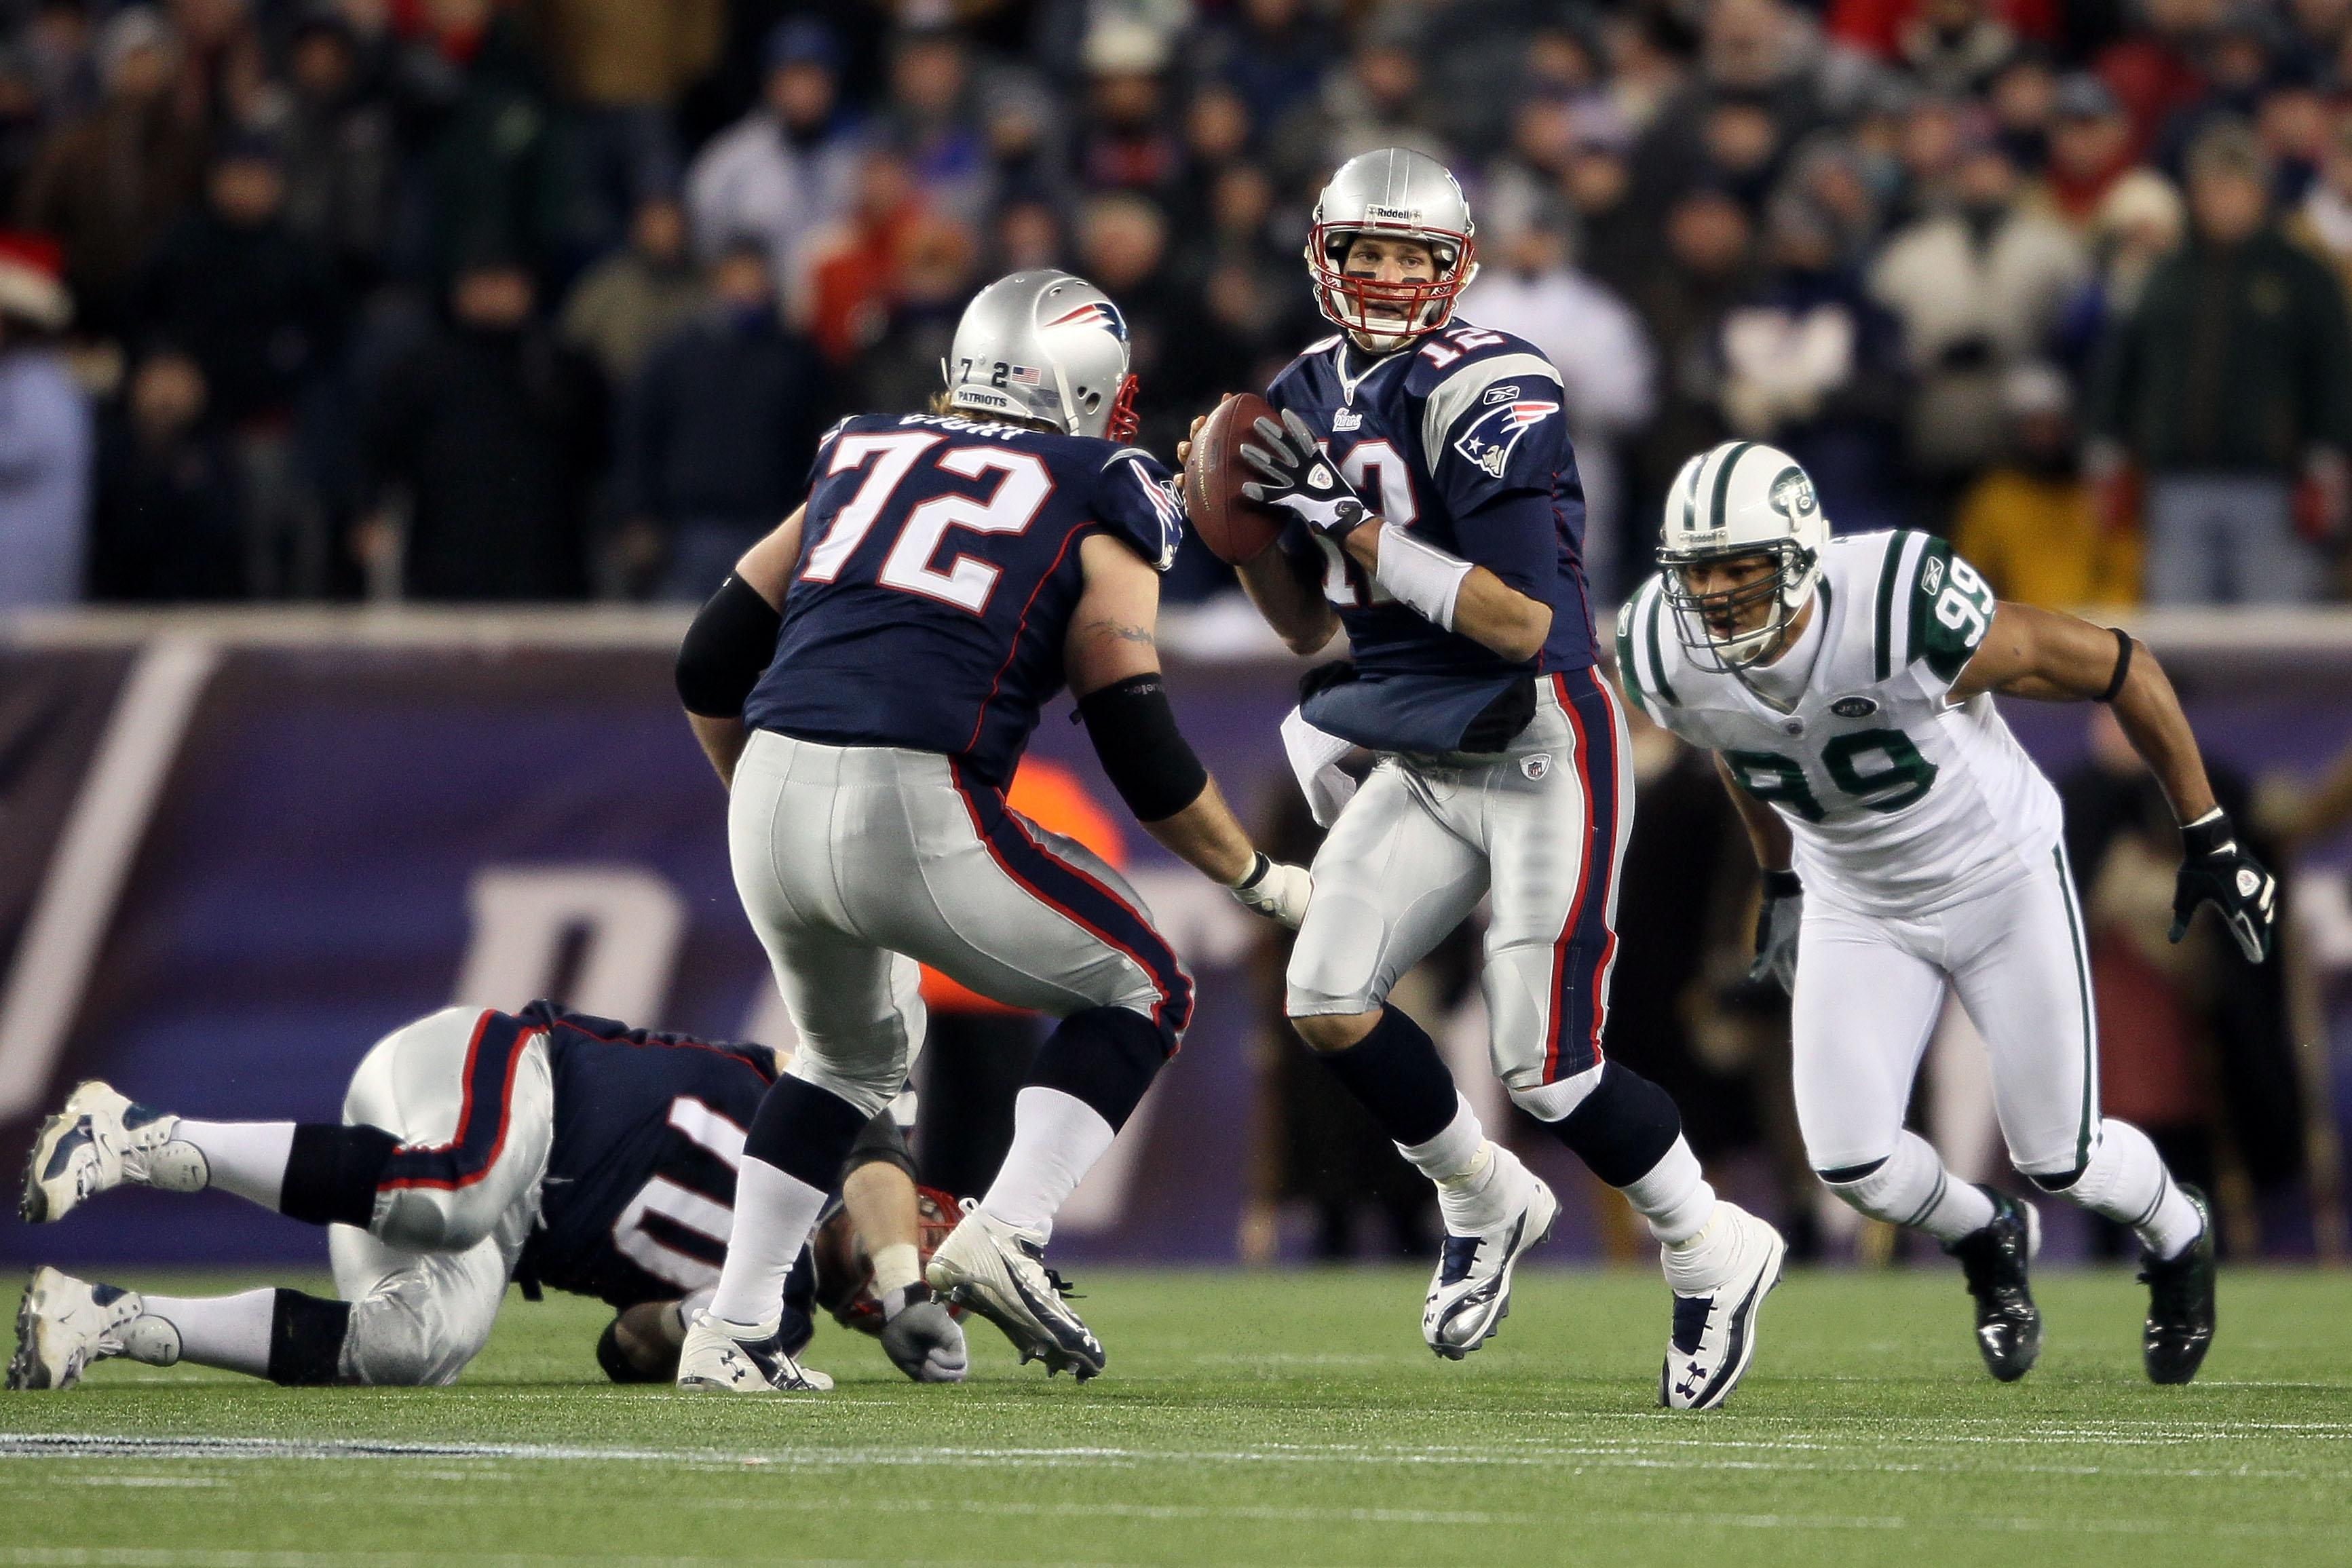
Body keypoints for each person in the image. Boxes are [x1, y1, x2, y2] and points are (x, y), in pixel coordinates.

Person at [1202, 147, 1785, 1412]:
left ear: (1455, 265)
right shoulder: (1301, 388)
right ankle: (1483, 1195)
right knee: (1325, 996)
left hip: (1537, 738)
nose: (1393, 276)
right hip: (1419, 737)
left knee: (1548, 1068)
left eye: (1418, 255)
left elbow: (1523, 623)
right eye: (1371, 252)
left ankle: (1712, 1244)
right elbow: (1310, 630)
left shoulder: (1496, 382)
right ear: (1326, 256)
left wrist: (1346, 523)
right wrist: (1240, 531)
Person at [667, 269, 1310, 1392]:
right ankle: (1008, 1230)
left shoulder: (858, 451)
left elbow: (709, 660)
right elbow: (1135, 735)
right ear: (1078, 389)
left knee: (844, 1060)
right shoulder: (1101, 480)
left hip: (765, 783)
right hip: (913, 790)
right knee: (1147, 984)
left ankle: (732, 1327)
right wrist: (1262, 879)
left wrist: (764, 800)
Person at [1616, 437, 2276, 1386]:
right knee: (1849, 1161)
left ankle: (2178, 1234)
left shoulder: (1893, 603)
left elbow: (2115, 663)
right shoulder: (1665, 654)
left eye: (1738, 567)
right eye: (1697, 571)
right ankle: (1987, 1235)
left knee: (2061, 1154)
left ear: (1800, 557)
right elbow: (1741, 747)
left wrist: (2205, 831)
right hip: (1857, 897)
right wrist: (1781, 879)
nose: (1713, 594)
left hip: (1996, 875)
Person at [12, 1001, 966, 1392]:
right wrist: (907, 1285)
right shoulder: (840, 1122)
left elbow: (626, 1345)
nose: (914, 1259)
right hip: (514, 1074)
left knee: (412, 1348)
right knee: (456, 1192)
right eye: (926, 1238)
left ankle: (101, 1322)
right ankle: (134, 1136)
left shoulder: (777, 1312)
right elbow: (872, 1144)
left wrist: (704, 1326)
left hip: (509, 1218)